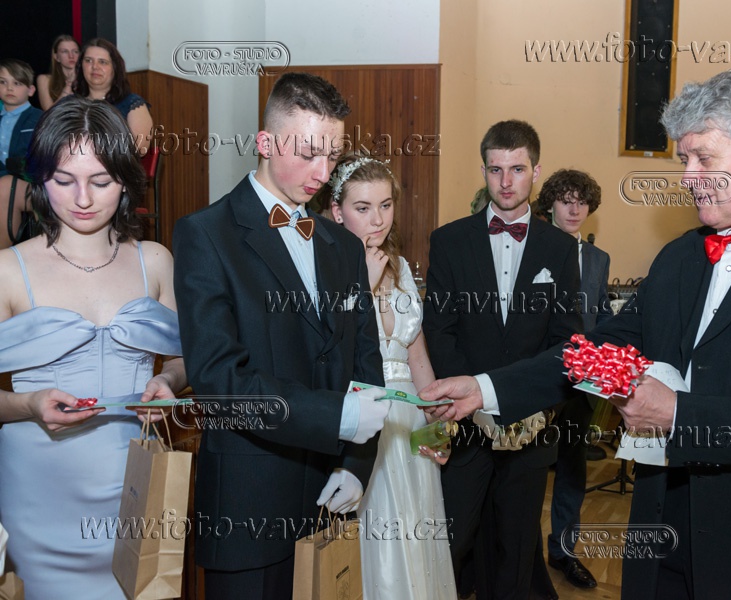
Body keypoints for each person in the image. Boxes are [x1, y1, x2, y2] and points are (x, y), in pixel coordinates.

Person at [420, 67, 731, 600]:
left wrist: (678, 415)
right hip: (662, 537)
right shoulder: (678, 258)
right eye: (683, 161)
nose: (688, 177)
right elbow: (597, 351)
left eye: (704, 159)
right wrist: (486, 388)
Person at [172, 72, 389, 599]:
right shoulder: (205, 235)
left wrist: (357, 464)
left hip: (328, 501)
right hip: (247, 508)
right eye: (309, 153)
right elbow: (220, 381)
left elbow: (366, 361)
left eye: (333, 156)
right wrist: (337, 418)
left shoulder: (343, 245)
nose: (323, 173)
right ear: (265, 143)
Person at [0, 96, 185, 599]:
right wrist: (28, 404)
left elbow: (183, 359)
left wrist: (167, 380)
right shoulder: (9, 270)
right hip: (38, 493)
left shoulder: (155, 261)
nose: (82, 198)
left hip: (134, 482)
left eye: (100, 181)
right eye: (64, 180)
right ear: (42, 180)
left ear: (124, 180)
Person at [422, 119, 582, 600]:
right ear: (484, 171)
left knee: (515, 552)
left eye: (517, 169)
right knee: (451, 543)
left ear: (536, 171)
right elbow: (440, 330)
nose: (506, 181)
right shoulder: (448, 240)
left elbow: (566, 339)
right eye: (496, 170)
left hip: (531, 428)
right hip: (464, 426)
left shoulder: (561, 247)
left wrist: (536, 408)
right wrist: (473, 401)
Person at [323, 154, 457, 599]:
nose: (377, 220)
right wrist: (360, 283)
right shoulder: (325, 268)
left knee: (417, 537)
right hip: (363, 422)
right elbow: (332, 355)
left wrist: (436, 424)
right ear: (337, 210)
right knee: (373, 539)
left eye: (385, 205)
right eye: (362, 208)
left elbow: (417, 357)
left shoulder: (399, 268)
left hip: (409, 424)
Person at [534, 168, 612, 591]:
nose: (574, 209)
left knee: (572, 470)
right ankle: (521, 554)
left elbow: (601, 315)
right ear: (550, 204)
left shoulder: (599, 259)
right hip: (542, 378)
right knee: (528, 470)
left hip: (583, 384)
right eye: (566, 200)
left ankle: (563, 551)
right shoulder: (534, 247)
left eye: (581, 202)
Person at [72, 38, 152, 155]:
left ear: (115, 68)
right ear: (81, 66)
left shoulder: (132, 104)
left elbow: (139, 149)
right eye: (88, 60)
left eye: (102, 62)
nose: (95, 66)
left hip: (116, 166)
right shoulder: (69, 103)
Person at [0, 59, 42, 249]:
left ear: (31, 90)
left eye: (17, 83)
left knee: (5, 186)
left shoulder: (39, 118)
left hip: (29, 182)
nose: (9, 88)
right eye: (3, 82)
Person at [36, 35, 80, 109]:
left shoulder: (86, 78)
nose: (71, 56)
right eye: (65, 51)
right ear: (56, 57)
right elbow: (48, 111)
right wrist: (68, 85)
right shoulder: (44, 79)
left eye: (75, 51)